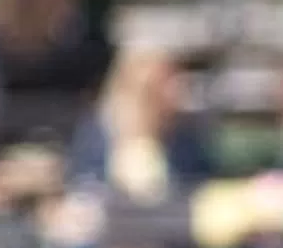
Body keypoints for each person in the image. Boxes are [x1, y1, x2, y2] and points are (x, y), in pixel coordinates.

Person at [67, 47, 212, 202]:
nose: (170, 94)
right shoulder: (97, 136)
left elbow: (201, 187)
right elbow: (84, 190)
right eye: (150, 94)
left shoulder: (184, 138)